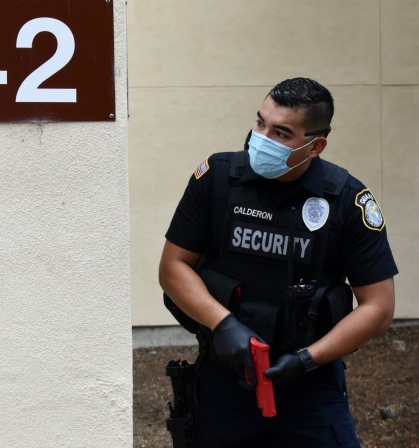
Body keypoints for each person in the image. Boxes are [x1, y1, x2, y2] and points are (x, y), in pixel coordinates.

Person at [159, 77, 398, 447]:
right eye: (260, 123)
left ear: (315, 145)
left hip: (310, 389)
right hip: (225, 380)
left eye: (281, 133)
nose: (262, 138)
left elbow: (379, 307)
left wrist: (306, 359)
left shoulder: (346, 200)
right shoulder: (217, 178)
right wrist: (223, 325)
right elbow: (172, 267)